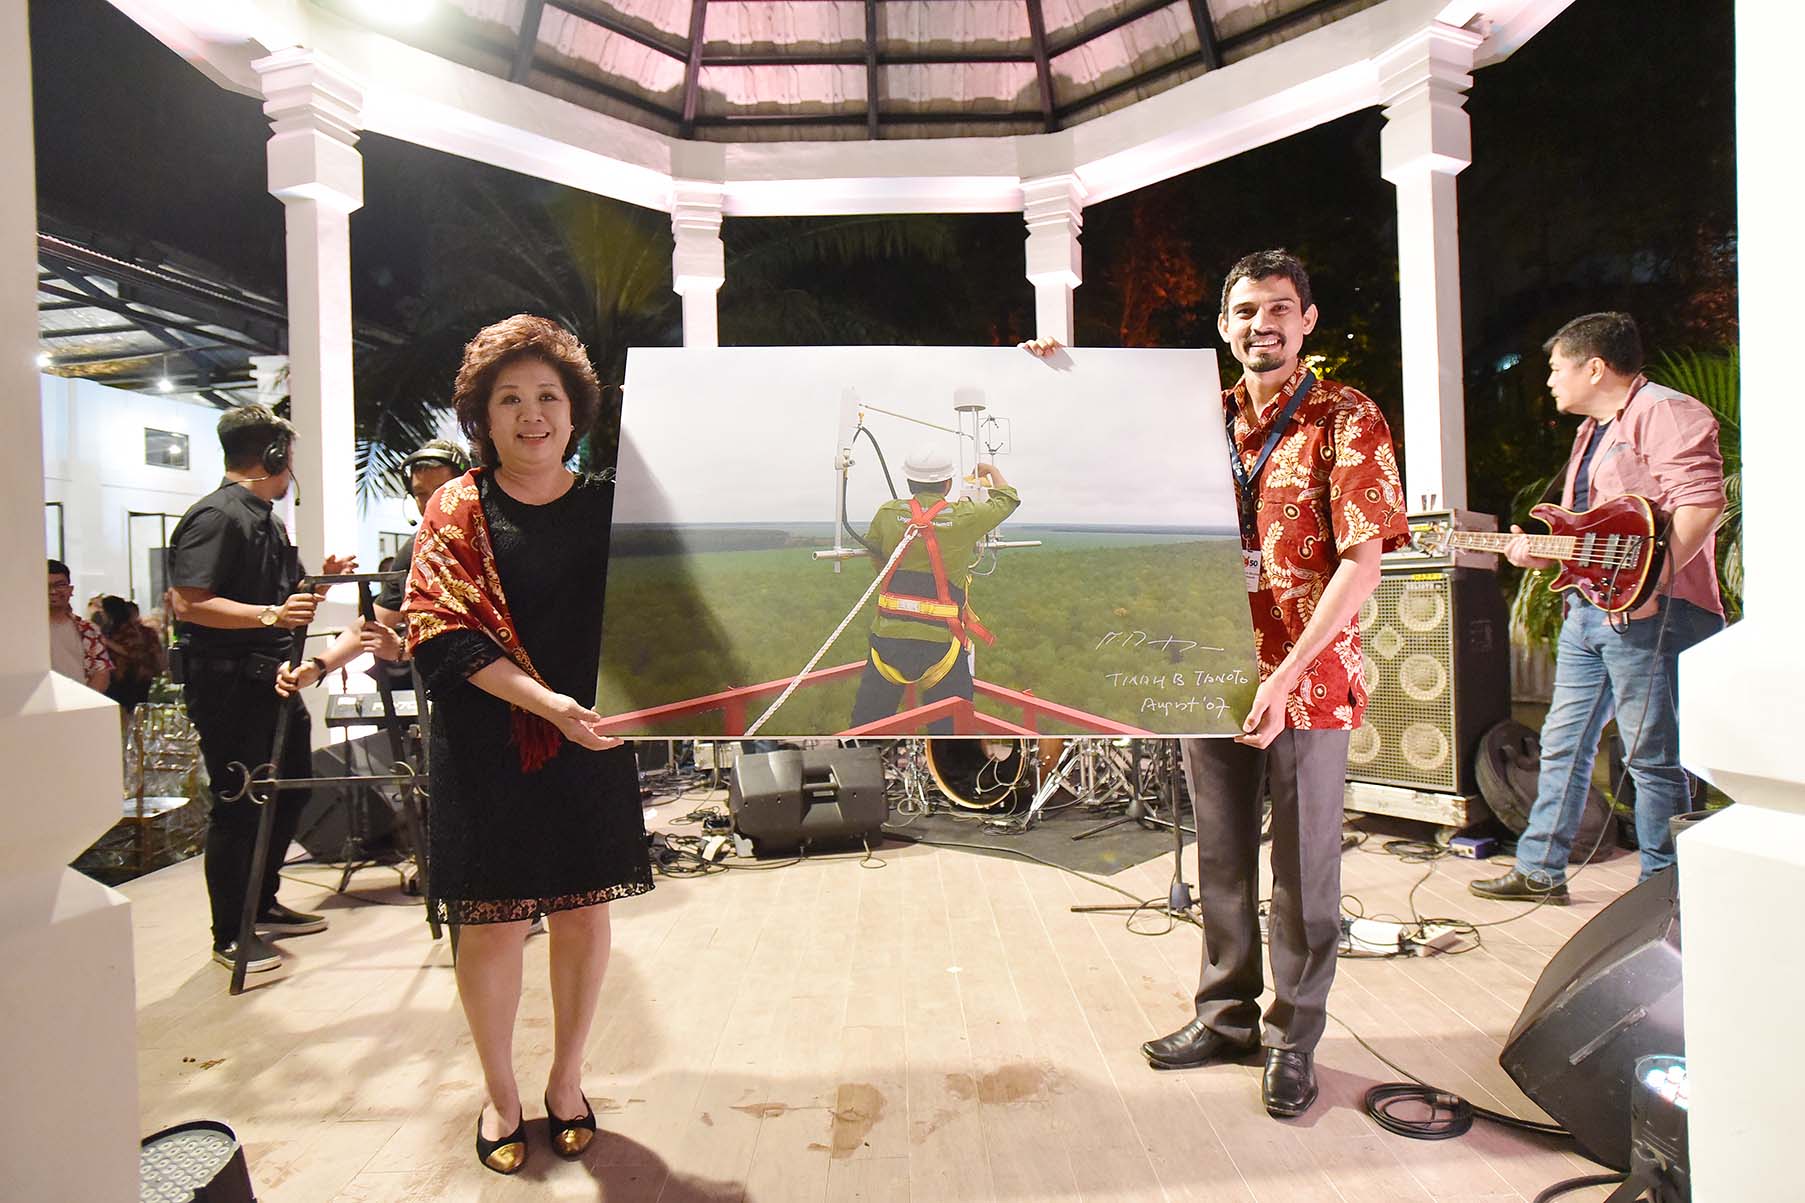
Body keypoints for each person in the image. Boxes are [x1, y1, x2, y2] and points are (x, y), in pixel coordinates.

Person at [1028, 249, 1406, 1119]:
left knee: (1304, 872)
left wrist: (1285, 673)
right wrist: (1052, 381)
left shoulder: (1345, 415)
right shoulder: (1202, 415)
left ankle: (1292, 1040)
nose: (1258, 325)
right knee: (1223, 858)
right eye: (1243, 311)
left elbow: (1363, 562)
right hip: (1208, 670)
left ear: (1306, 320)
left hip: (1305, 681)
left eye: (1277, 309)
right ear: (1224, 323)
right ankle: (1226, 1017)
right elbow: (1099, 451)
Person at [404, 314, 653, 1176]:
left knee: (585, 914)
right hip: (490, 745)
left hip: (591, 741)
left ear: (574, 412)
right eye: (509, 398)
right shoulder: (455, 511)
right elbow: (439, 634)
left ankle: (567, 1082)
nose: (531, 413)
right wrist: (546, 703)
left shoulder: (616, 504)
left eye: (547, 396)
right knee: (494, 924)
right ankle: (501, 1093)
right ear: (483, 415)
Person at [1472, 313, 1725, 903]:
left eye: (1557, 368)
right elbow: (1592, 541)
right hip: (1590, 614)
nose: (1550, 381)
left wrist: (1651, 582)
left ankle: (1662, 892)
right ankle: (1541, 870)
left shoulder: (1664, 411)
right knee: (1562, 741)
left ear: (1594, 366)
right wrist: (1542, 554)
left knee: (1650, 757)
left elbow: (1701, 503)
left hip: (1652, 614)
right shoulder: (1591, 433)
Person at [167, 404, 399, 973]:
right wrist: (272, 615)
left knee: (289, 791)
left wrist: (312, 586)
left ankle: (261, 902)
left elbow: (277, 608)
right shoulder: (219, 517)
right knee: (239, 802)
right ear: (274, 456)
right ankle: (231, 931)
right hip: (228, 689)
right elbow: (189, 602)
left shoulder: (263, 516)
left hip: (272, 684)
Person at [846, 446, 1019, 734]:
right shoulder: (964, 516)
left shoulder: (888, 513)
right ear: (948, 483)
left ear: (909, 482)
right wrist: (991, 472)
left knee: (866, 730)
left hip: (888, 640)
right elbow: (1008, 500)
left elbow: (875, 554)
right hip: (941, 643)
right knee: (951, 731)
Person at [47, 559, 111, 693]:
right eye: (46, 586)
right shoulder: (26, 631)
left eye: (60, 585)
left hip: (80, 705)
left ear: (70, 590)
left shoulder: (89, 630)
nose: (53, 592)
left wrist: (88, 701)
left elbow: (102, 671)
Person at [96, 594, 165, 715]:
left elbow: (131, 651)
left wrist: (106, 641)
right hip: (117, 677)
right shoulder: (110, 629)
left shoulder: (130, 630)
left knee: (131, 710)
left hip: (132, 677)